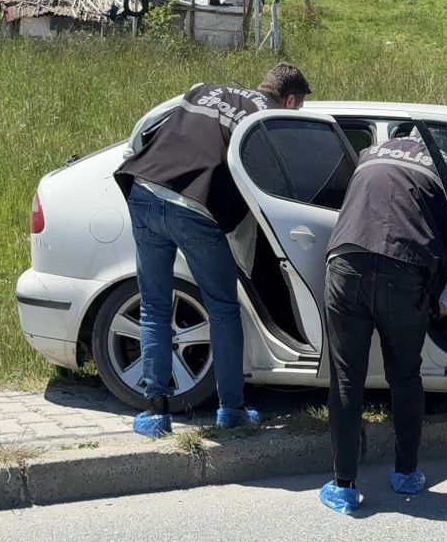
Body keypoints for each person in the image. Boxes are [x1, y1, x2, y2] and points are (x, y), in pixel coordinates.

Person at [113, 63, 312, 437]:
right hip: (194, 209)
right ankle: (231, 411)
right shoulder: (264, 120)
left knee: (154, 306)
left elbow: (151, 128)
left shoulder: (203, 89)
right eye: (297, 108)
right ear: (289, 100)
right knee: (222, 309)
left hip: (145, 190)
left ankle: (156, 413)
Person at [318, 129, 447, 514]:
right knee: (405, 376)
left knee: (346, 378)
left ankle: (344, 486)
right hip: (405, 270)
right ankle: (406, 473)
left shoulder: (370, 152)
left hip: (347, 264)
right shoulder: (444, 167)